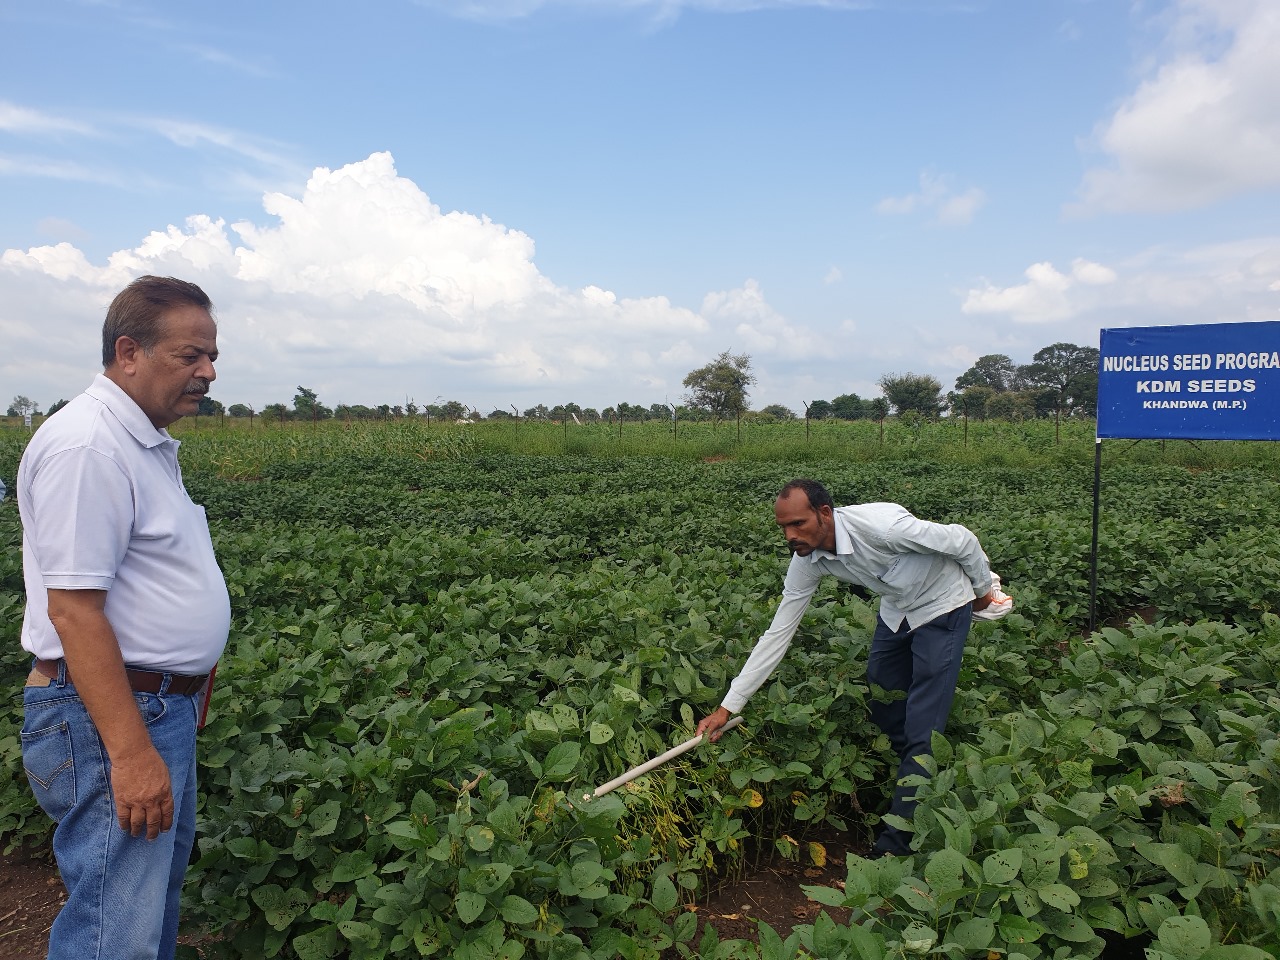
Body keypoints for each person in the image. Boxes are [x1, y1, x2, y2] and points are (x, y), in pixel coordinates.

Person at [17, 276, 230, 960]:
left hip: (152, 709)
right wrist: (132, 753)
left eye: (211, 356)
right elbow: (74, 612)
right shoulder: (89, 446)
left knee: (143, 914)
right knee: (115, 931)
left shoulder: (140, 441)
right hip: (113, 717)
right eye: (191, 355)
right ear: (129, 352)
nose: (208, 372)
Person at [696, 478, 994, 857]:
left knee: (924, 726)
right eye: (783, 527)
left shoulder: (883, 529)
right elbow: (779, 632)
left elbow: (963, 540)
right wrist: (728, 707)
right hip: (898, 608)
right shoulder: (807, 560)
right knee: (882, 690)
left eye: (798, 524)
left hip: (944, 603)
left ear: (824, 513)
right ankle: (916, 770)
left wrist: (983, 593)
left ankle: (894, 846)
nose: (790, 536)